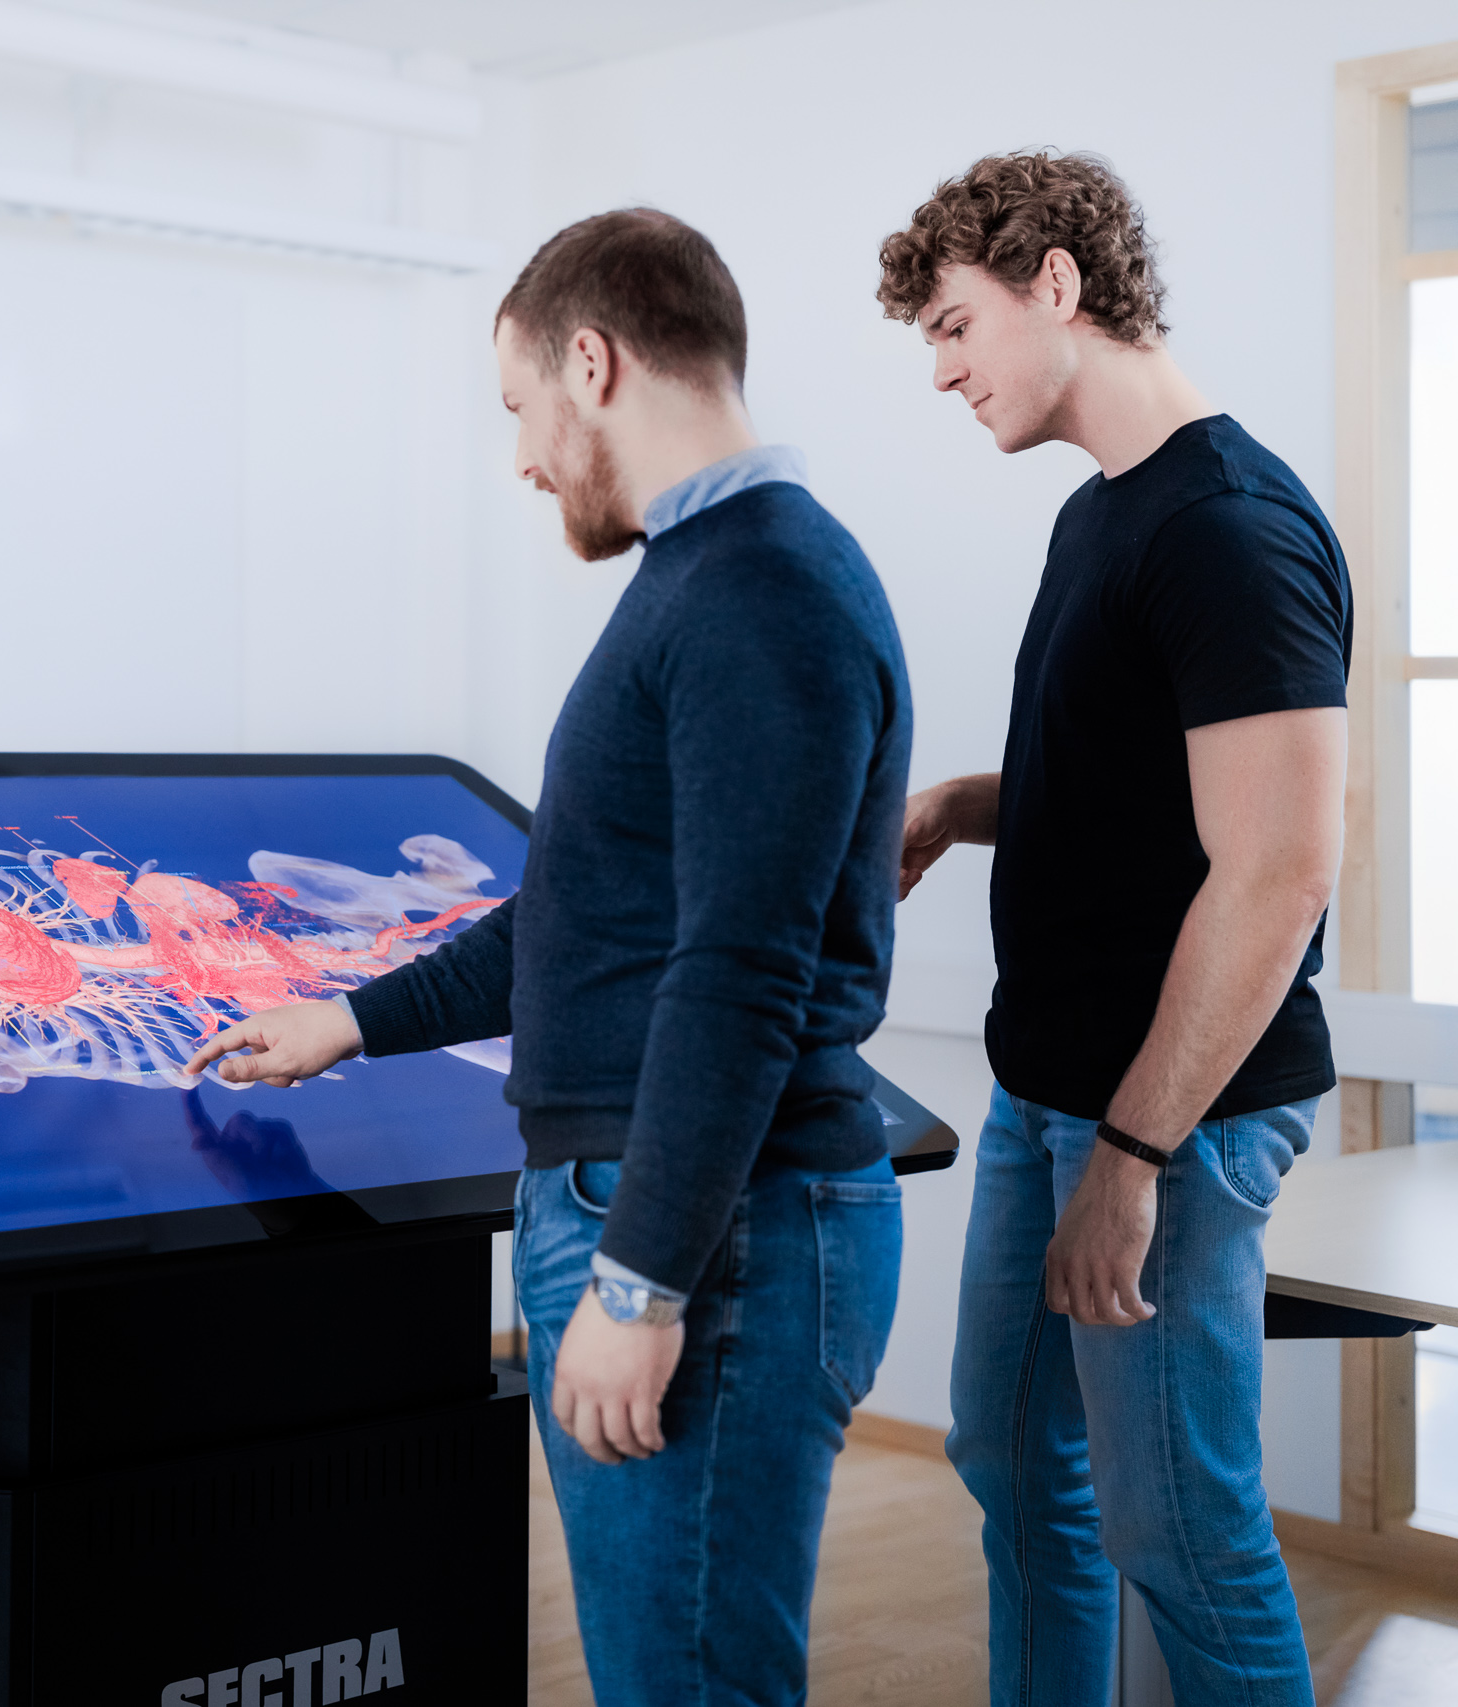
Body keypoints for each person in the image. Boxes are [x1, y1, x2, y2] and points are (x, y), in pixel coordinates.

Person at [185, 210, 912, 1705]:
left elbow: (738, 974)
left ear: (592, 362)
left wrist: (641, 1286)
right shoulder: (707, 578)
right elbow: (582, 911)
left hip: (715, 1239)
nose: (520, 457)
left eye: (519, 408)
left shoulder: (758, 595)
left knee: (687, 1681)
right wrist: (348, 1018)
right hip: (684, 1213)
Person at [878, 152, 1349, 1706]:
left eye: (954, 327)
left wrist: (1132, 1162)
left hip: (1172, 1124)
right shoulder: (1108, 515)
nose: (942, 372)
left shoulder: (1227, 528)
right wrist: (961, 800)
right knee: (1014, 1464)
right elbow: (1143, 783)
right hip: (1049, 1092)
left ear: (1058, 283)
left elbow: (1276, 870)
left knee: (1186, 1535)